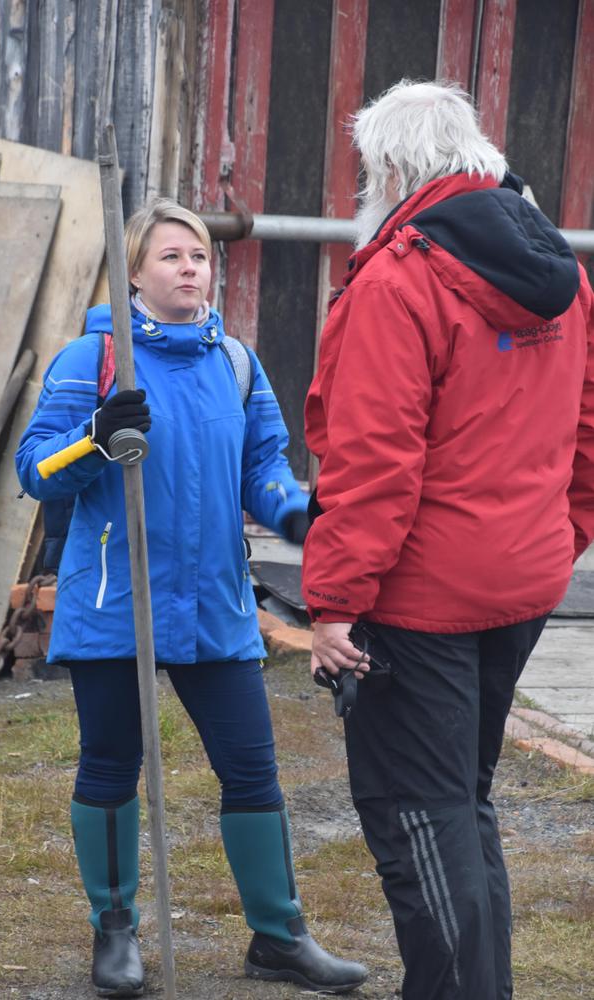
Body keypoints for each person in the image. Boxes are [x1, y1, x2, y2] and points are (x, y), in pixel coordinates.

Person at [16, 198, 368, 998]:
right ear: (135, 270)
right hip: (116, 601)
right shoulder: (92, 358)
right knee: (110, 765)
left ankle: (279, 937)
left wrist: (301, 514)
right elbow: (35, 469)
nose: (189, 270)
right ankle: (114, 933)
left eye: (200, 257)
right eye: (171, 257)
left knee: (252, 770)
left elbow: (265, 470)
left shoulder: (236, 364)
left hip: (214, 603)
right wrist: (97, 437)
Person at [303, 80, 594, 1000]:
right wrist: (556, 534)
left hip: (418, 599)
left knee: (418, 817)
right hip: (520, 578)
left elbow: (372, 463)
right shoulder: (564, 275)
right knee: (463, 803)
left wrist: (336, 601)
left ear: (390, 167)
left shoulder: (399, 279)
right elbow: (587, 433)